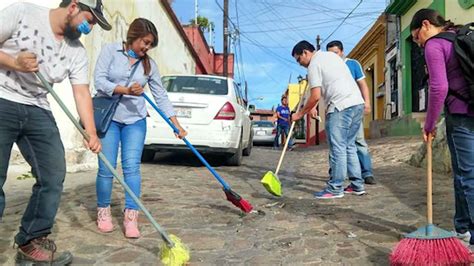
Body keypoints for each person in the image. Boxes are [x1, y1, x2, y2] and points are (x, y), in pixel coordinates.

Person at [0, 0, 110, 263]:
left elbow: (81, 91)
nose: (89, 27)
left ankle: (31, 241)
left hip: (38, 108)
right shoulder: (22, 12)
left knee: (53, 174)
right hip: (2, 98)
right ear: (73, 6)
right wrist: (14, 62)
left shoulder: (76, 51)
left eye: (93, 23)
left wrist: (91, 132)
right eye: (89, 19)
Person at [93, 18, 187, 239]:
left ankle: (131, 216)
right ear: (133, 35)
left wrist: (176, 124)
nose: (146, 48)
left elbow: (161, 96)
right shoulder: (110, 51)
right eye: (145, 42)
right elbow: (99, 81)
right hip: (109, 118)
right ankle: (103, 211)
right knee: (106, 168)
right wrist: (124, 89)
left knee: (132, 168)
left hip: (135, 120)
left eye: (150, 45)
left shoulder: (150, 65)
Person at [410, 8, 474, 247]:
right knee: (463, 174)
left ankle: (471, 235)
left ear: (425, 25)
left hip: (461, 114)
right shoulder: (459, 35)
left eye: (416, 37)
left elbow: (438, 88)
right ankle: (463, 227)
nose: (417, 43)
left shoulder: (434, 45)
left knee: (467, 176)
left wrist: (429, 124)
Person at [291, 40, 365, 199]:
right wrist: (311, 107)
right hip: (357, 103)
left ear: (305, 52)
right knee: (349, 146)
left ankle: (335, 188)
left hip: (340, 106)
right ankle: (357, 185)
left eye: (299, 59)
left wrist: (299, 114)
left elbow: (316, 95)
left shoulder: (313, 65)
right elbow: (330, 85)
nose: (300, 64)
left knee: (337, 148)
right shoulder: (331, 57)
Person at [326, 40, 376, 185]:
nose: (333, 57)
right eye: (330, 54)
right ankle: (335, 172)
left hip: (353, 107)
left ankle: (366, 172)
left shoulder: (352, 64)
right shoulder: (328, 68)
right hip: (336, 109)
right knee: (336, 143)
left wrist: (367, 102)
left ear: (342, 52)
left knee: (358, 140)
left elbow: (363, 85)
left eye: (335, 53)